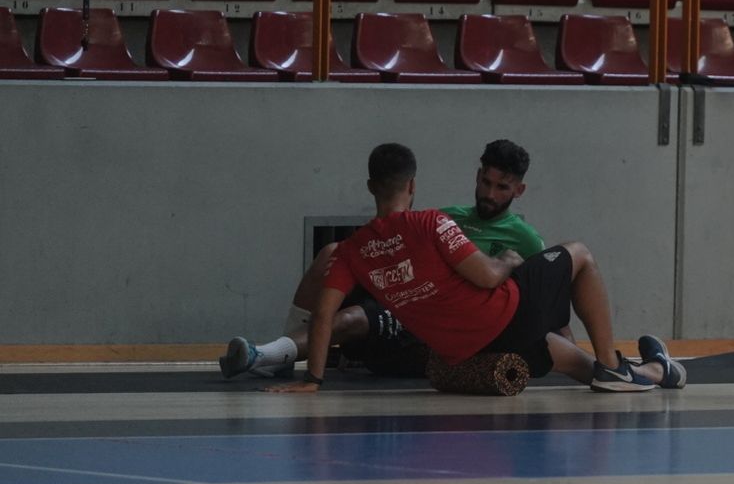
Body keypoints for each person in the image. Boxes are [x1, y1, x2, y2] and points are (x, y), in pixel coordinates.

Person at [263, 143, 686, 394]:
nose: (489, 191)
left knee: (578, 365)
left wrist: (313, 380)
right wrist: (503, 260)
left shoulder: (352, 252)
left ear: (371, 187)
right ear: (412, 186)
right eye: (486, 181)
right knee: (580, 253)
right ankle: (613, 362)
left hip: (468, 348)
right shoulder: (433, 221)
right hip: (505, 316)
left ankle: (658, 371)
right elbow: (486, 276)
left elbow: (322, 315)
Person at [219, 140, 552, 380]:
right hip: (404, 293)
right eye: (485, 182)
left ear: (518, 191)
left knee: (350, 318)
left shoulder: (525, 238)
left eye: (502, 187)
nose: (490, 194)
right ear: (477, 176)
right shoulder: (444, 216)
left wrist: (553, 339)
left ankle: (271, 354)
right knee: (330, 254)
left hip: (437, 320)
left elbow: (538, 298)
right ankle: (287, 353)